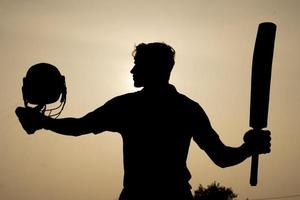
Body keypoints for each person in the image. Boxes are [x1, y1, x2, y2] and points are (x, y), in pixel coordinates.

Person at [16, 42, 271, 200]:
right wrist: (248, 149)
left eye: (137, 65)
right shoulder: (187, 109)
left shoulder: (128, 106)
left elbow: (79, 127)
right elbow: (223, 158)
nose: (131, 71)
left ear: (153, 69)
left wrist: (42, 123)